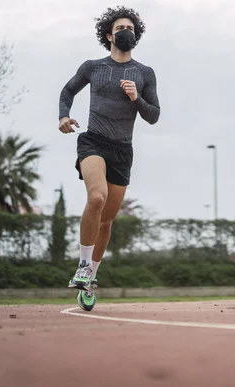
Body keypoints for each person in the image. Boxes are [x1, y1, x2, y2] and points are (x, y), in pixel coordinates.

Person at [57, 5, 160, 311]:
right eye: (119, 29)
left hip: (122, 150)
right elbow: (67, 90)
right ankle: (82, 266)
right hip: (93, 141)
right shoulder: (93, 66)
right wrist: (64, 115)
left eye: (130, 28)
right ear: (108, 35)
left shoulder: (144, 73)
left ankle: (90, 277)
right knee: (97, 199)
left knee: (108, 221)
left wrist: (135, 98)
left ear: (135, 36)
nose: (125, 32)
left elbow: (153, 116)